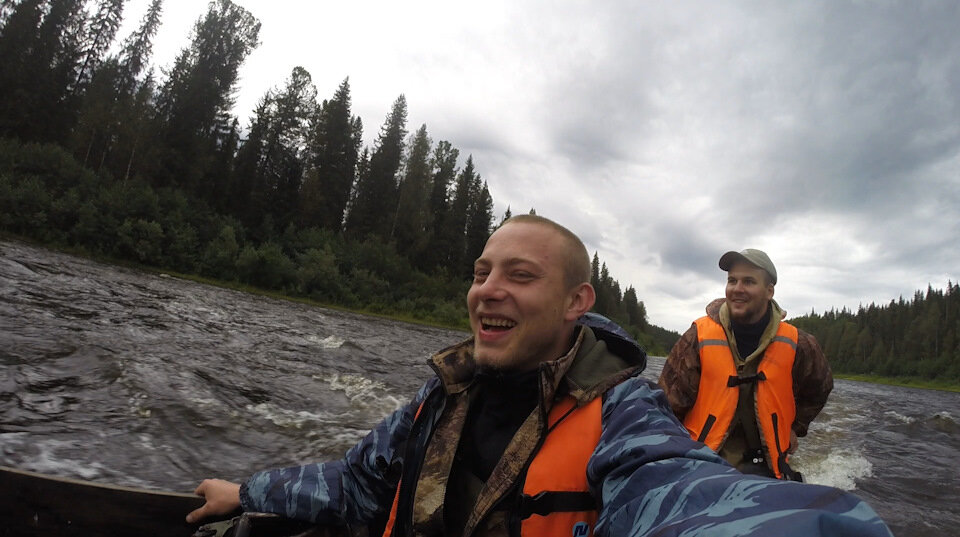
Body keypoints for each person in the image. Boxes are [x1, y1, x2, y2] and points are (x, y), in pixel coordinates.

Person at [187, 218, 889, 536]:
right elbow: (357, 483)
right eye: (482, 272)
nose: (488, 289)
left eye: (520, 275)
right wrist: (246, 489)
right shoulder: (439, 394)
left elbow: (670, 478)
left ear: (576, 303)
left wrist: (792, 446)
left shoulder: (622, 413)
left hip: (740, 475)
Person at [659, 248, 833, 480]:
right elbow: (667, 405)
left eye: (749, 282)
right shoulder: (698, 336)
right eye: (732, 280)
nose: (737, 289)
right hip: (701, 463)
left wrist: (795, 427)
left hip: (767, 468)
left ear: (769, 291)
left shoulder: (800, 344)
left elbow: (819, 388)